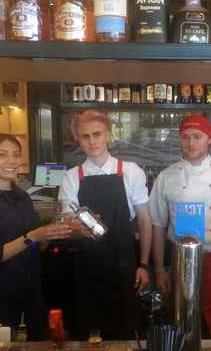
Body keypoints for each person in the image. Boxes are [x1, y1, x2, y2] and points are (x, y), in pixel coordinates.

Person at [0, 133, 72, 340]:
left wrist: (53, 234)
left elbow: (36, 244)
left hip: (31, 294)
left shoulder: (22, 197)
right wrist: (33, 236)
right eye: (2, 155)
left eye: (16, 155)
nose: (11, 161)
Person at [149, 114, 211, 339]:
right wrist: (159, 269)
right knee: (184, 321)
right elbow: (157, 225)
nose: (191, 143)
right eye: (185, 137)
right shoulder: (165, 177)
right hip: (181, 260)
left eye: (197, 136)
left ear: (209, 140)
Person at [58, 109, 152, 340]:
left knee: (126, 331)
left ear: (108, 134)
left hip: (124, 266)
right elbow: (67, 226)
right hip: (86, 269)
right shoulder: (72, 177)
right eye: (85, 136)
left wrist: (144, 264)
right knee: (88, 333)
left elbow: (145, 220)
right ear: (78, 140)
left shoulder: (131, 172)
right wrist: (77, 229)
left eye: (97, 134)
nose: (92, 141)